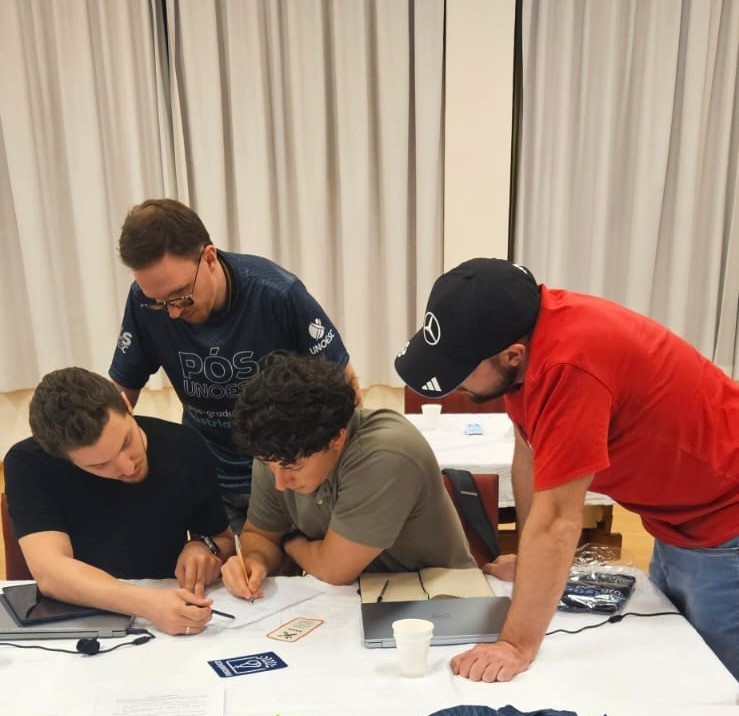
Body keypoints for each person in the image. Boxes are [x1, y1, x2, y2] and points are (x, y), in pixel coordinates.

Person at [395, 258, 739, 682]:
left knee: (718, 686)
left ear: (512, 355)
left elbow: (559, 519)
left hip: (725, 520)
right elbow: (529, 450)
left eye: (460, 371)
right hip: (678, 519)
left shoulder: (570, 366)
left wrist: (515, 645)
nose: (453, 385)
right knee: (680, 659)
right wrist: (529, 559)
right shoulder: (525, 339)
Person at [109, 198, 360, 532]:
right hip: (209, 474)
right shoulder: (143, 301)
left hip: (284, 474)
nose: (173, 312)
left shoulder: (278, 293)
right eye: (160, 303)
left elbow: (345, 388)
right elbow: (121, 394)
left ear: (209, 258)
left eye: (181, 295)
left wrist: (341, 478)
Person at [220, 354, 474, 597]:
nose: (280, 483)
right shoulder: (276, 450)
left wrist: (289, 541)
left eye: (293, 468)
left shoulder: (384, 453)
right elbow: (261, 535)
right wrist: (255, 560)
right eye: (268, 465)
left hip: (434, 598)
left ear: (337, 439)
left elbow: (333, 569)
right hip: (348, 598)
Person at [4, 368, 234, 637]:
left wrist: (202, 547)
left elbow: (222, 539)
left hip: (171, 610)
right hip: (81, 620)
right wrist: (147, 604)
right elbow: (52, 573)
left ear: (126, 404)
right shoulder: (29, 464)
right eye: (100, 465)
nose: (128, 467)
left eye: (126, 442)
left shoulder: (183, 445)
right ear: (63, 457)